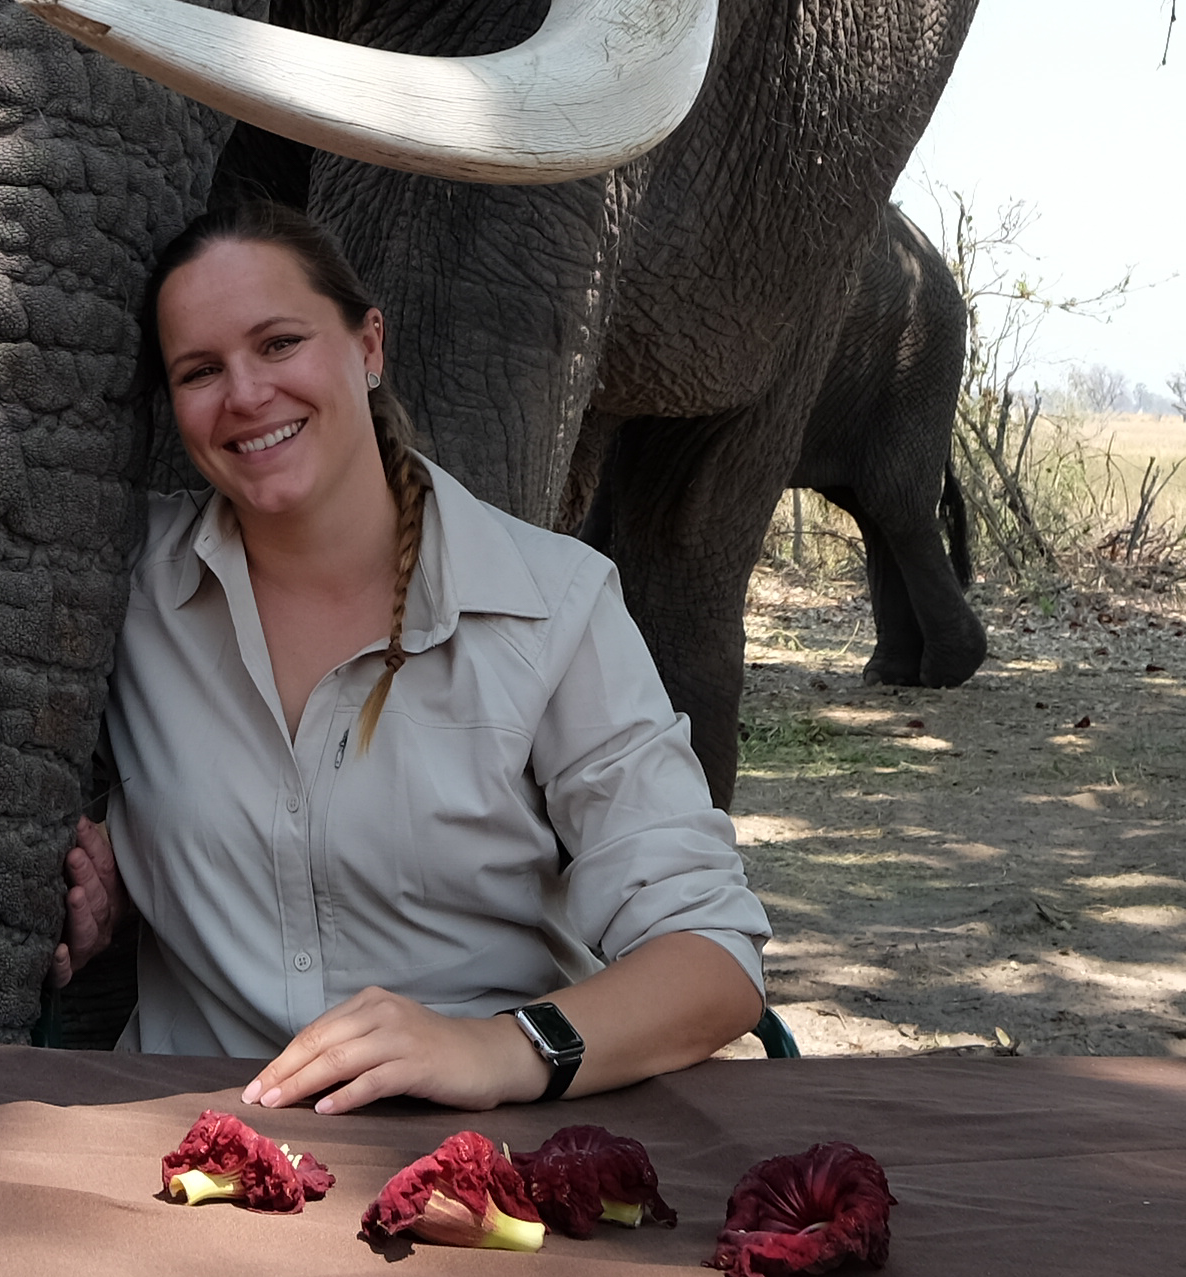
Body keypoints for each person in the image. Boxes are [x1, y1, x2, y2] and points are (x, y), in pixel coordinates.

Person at [55, 194, 766, 1110]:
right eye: (199, 370)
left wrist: (493, 1050)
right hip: (184, 1136)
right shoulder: (121, 579)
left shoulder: (553, 604)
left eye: (279, 344)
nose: (244, 394)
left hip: (470, 1153)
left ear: (369, 346)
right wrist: (105, 878)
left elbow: (713, 956)